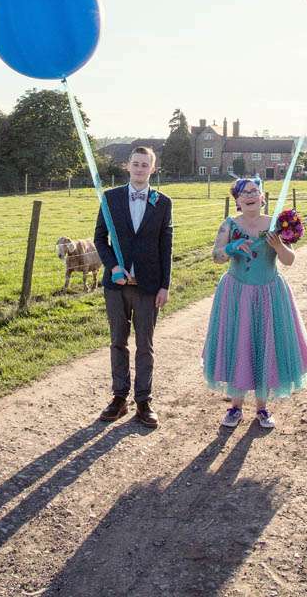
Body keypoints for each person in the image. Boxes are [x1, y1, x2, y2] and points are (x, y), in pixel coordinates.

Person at [202, 178, 307, 430]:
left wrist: (278, 245)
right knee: (240, 343)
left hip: (269, 292)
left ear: (263, 197)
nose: (250, 195)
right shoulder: (229, 225)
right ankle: (235, 407)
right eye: (244, 193)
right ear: (237, 200)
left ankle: (262, 408)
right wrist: (232, 247)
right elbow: (216, 257)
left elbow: (289, 260)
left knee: (265, 345)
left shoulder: (274, 224)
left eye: (254, 191)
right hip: (236, 293)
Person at [94, 146, 173, 428]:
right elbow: (100, 239)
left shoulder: (162, 202)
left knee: (145, 345)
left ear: (153, 169)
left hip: (148, 286)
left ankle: (143, 401)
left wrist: (164, 285)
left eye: (145, 165)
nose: (140, 169)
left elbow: (166, 246)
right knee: (118, 341)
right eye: (135, 164)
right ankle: (119, 398)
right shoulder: (110, 198)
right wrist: (113, 267)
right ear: (127, 166)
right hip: (117, 286)